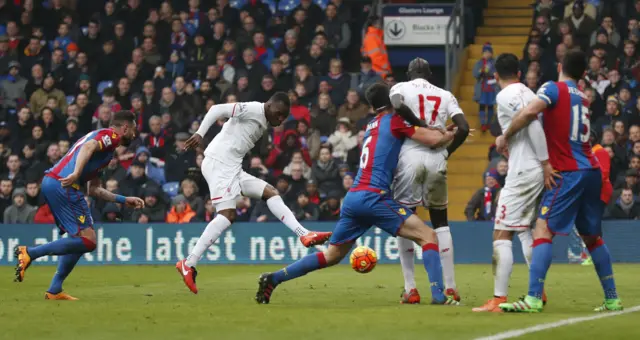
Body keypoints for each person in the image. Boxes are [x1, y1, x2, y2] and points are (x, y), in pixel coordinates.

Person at [254, 83, 458, 305]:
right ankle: (438, 295)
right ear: (391, 102)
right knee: (428, 236)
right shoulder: (395, 122)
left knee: (331, 256)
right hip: (374, 196)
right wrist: (452, 132)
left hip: (354, 198)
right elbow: (434, 139)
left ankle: (273, 279)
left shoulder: (371, 125)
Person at [495, 50, 622, 312]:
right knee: (592, 238)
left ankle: (532, 298)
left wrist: (505, 135)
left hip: (568, 171)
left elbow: (530, 112)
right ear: (584, 74)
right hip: (591, 171)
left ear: (561, 65)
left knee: (542, 230)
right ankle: (612, 298)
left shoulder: (553, 89)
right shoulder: (584, 98)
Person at [176, 93, 332, 294]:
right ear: (269, 105)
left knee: (270, 192)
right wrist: (199, 133)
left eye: (284, 117)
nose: (280, 119)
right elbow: (216, 109)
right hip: (218, 164)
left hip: (232, 167)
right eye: (279, 114)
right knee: (227, 216)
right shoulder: (251, 108)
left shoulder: (265, 120)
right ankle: (189, 263)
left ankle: (304, 234)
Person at [13, 111, 145, 300]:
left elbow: (94, 190)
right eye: (133, 129)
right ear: (124, 128)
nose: (134, 134)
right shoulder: (110, 136)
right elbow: (88, 147)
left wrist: (124, 200)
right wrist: (76, 174)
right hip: (64, 184)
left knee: (80, 240)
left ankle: (54, 289)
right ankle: (29, 253)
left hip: (56, 182)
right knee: (89, 241)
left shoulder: (105, 153)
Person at [389, 57, 469, 304]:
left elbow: (395, 104)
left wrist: (419, 124)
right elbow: (464, 128)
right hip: (437, 159)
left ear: (410, 73)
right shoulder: (445, 94)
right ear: (430, 74)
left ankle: (411, 288)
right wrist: (446, 152)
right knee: (441, 222)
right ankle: (451, 287)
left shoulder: (400, 87)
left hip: (410, 156)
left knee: (406, 221)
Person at [472, 54, 549, 312]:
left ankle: (498, 298)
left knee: (501, 233)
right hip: (531, 167)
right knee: (524, 230)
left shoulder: (507, 95)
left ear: (495, 76)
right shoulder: (529, 92)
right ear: (519, 71)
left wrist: (544, 161)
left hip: (525, 171)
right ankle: (538, 292)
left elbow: (533, 125)